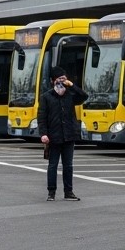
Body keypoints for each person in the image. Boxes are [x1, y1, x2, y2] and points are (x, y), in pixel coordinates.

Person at [37, 65, 88, 201]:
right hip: (53, 137)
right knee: (53, 165)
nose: (62, 82)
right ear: (53, 81)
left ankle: (68, 191)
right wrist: (43, 134)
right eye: (59, 79)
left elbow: (84, 96)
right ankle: (51, 192)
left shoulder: (70, 95)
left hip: (69, 136)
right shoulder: (46, 97)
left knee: (68, 166)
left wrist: (71, 85)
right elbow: (41, 117)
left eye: (64, 79)